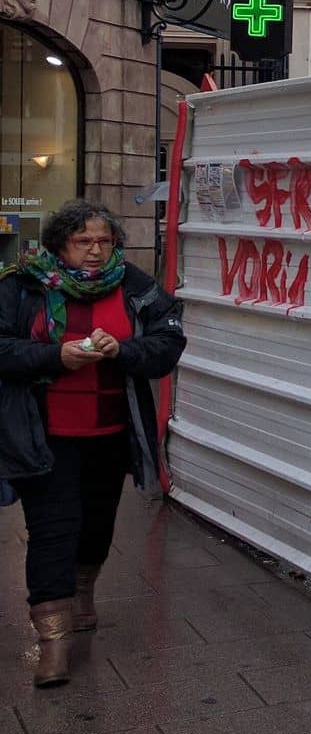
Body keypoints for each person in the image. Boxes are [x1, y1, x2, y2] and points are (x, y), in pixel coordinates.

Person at [0, 201, 185, 686]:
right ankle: (54, 645)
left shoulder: (134, 286)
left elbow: (168, 342)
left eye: (104, 241)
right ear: (60, 244)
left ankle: (83, 592)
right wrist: (54, 357)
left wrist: (123, 350)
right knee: (52, 530)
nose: (96, 251)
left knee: (98, 524)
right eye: (84, 241)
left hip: (110, 435)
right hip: (46, 436)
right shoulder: (23, 286)